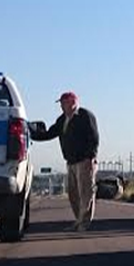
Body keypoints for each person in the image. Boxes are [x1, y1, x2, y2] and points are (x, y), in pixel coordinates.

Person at [31, 91, 100, 231]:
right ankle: (78, 220)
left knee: (85, 193)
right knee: (73, 194)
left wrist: (90, 157)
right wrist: (32, 132)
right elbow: (50, 133)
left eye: (63, 103)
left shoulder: (85, 116)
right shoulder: (62, 119)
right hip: (71, 162)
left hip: (85, 161)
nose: (61, 106)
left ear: (72, 103)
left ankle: (83, 223)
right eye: (61, 103)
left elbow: (94, 138)